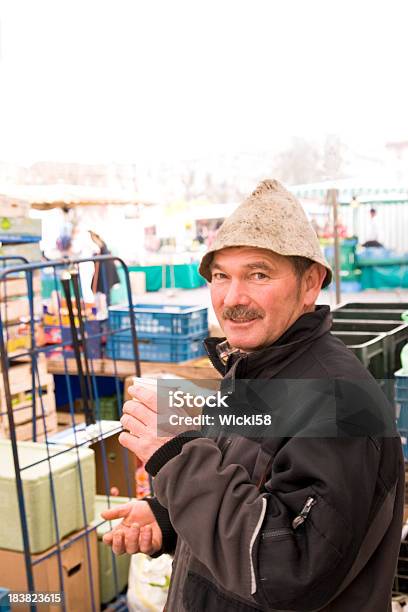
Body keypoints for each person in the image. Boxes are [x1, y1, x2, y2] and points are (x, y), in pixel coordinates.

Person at [102, 180, 404, 611]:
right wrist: (168, 520)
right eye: (221, 276)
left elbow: (287, 569)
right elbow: (244, 490)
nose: (233, 298)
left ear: (310, 284)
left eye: (258, 274)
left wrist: (176, 457)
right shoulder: (253, 369)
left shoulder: (339, 403)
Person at [89, 230, 120, 306]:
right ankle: (106, 306)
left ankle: (108, 307)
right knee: (103, 291)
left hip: (106, 272)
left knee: (106, 290)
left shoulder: (103, 246)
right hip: (103, 272)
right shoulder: (101, 248)